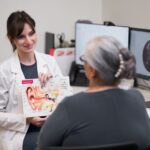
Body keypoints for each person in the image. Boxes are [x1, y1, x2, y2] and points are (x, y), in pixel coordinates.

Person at [37, 36, 150, 150]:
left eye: (84, 59)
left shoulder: (70, 106)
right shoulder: (136, 98)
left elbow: (42, 147)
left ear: (92, 71)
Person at [0, 10, 62, 150]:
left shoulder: (50, 62)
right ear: (12, 39)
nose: (29, 41)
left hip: (51, 126)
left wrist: (54, 87)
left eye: (31, 33)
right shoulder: (4, 70)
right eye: (21, 37)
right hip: (21, 133)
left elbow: (66, 99)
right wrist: (25, 119)